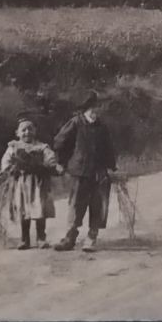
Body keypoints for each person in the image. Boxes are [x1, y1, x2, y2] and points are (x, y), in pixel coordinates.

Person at [52, 92, 117, 252]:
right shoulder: (75, 123)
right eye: (93, 107)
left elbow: (108, 148)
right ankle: (70, 237)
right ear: (85, 109)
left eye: (98, 107)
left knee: (98, 205)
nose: (96, 110)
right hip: (80, 172)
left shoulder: (102, 127)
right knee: (76, 205)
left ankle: (91, 237)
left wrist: (111, 167)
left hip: (99, 172)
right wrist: (63, 162)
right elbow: (60, 142)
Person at [0, 114, 61, 250]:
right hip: (22, 184)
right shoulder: (14, 147)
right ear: (17, 133)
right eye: (24, 130)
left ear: (35, 131)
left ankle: (41, 238)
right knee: (24, 210)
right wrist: (11, 169)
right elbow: (6, 161)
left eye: (30, 129)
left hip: (39, 183)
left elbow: (51, 159)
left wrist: (50, 165)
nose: (27, 132)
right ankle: (24, 239)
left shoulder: (42, 147)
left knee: (40, 209)